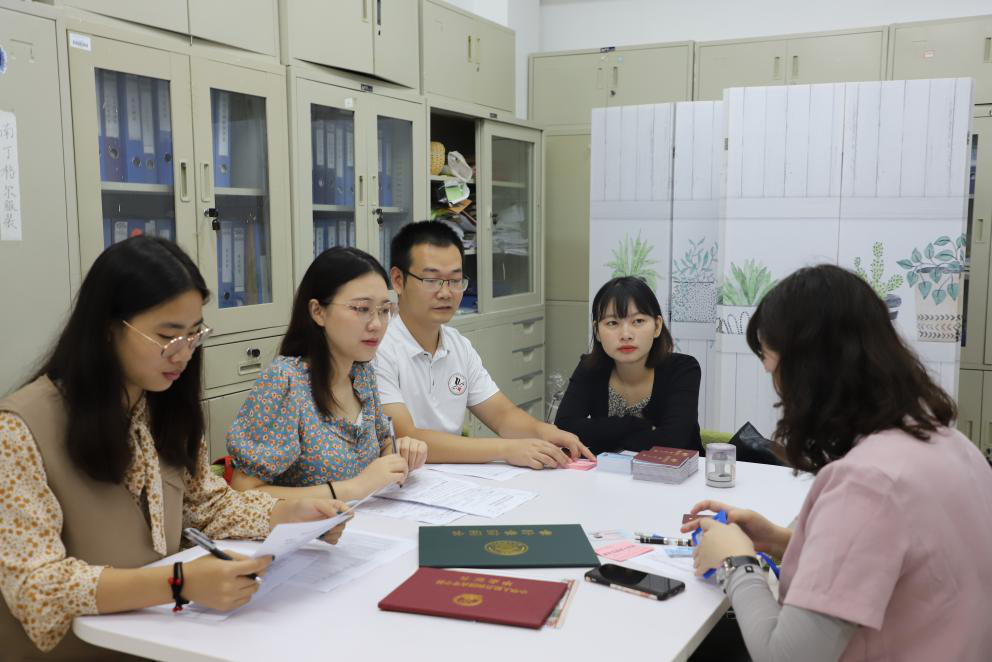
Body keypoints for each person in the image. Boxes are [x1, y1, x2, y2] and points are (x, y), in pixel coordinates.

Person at [0, 237, 349, 659]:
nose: (183, 354)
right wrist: (179, 582)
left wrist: (286, 515)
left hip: (161, 637)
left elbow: (205, 505)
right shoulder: (20, 429)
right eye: (167, 336)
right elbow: (36, 587)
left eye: (194, 333)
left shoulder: (161, 406)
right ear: (108, 328)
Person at [682, 264, 992, 662]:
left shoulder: (868, 482)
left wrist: (735, 562)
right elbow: (897, 565)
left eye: (774, 369)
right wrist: (783, 542)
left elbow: (784, 657)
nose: (777, 390)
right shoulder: (952, 444)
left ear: (809, 372)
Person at [373, 221, 594, 469]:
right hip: (401, 480)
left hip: (450, 479)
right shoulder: (378, 348)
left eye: (455, 280)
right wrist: (506, 449)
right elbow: (406, 437)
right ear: (398, 280)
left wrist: (544, 432)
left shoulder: (458, 345)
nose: (446, 293)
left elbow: (502, 415)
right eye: (432, 280)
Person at [227, 247, 428, 501]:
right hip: (306, 526)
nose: (376, 324)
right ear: (318, 312)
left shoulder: (362, 373)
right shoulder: (285, 382)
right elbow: (243, 493)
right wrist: (353, 488)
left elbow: (382, 442)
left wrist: (401, 452)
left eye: (384, 310)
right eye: (361, 308)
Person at [554, 276, 702, 454]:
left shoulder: (683, 369)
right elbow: (564, 427)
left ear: (657, 326)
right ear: (597, 331)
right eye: (612, 323)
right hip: (609, 470)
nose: (626, 335)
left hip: (677, 471)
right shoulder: (590, 368)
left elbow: (673, 441)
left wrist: (604, 437)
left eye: (638, 321)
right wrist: (636, 425)